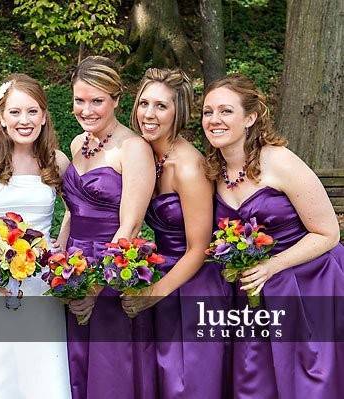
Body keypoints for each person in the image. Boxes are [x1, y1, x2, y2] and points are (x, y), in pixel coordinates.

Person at [203, 74, 344, 399]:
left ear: (250, 117)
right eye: (208, 112)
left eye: (226, 111)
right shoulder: (213, 171)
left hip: (310, 283)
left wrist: (272, 265)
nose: (214, 120)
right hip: (253, 293)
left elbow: (328, 232)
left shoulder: (279, 161)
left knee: (310, 384)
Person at [0, 73, 72, 399]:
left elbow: (78, 210)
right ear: (2, 118)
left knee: (45, 379)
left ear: (45, 115)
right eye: (16, 112)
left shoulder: (56, 161)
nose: (25, 120)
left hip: (40, 286)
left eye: (33, 111)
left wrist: (59, 247)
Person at [126, 67, 231, 398]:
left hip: (195, 284)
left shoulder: (188, 166)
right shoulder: (145, 155)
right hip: (162, 276)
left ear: (178, 112)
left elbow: (199, 248)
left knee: (188, 383)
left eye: (161, 106)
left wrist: (153, 294)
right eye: (144, 103)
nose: (148, 114)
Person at [59, 56, 157, 399]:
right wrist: (58, 261)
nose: (87, 110)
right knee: (76, 366)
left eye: (97, 101)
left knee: (110, 371)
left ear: (116, 99)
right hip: (72, 269)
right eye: (80, 100)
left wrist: (96, 288)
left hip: (110, 271)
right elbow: (72, 212)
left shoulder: (133, 149)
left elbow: (130, 228)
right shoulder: (77, 143)